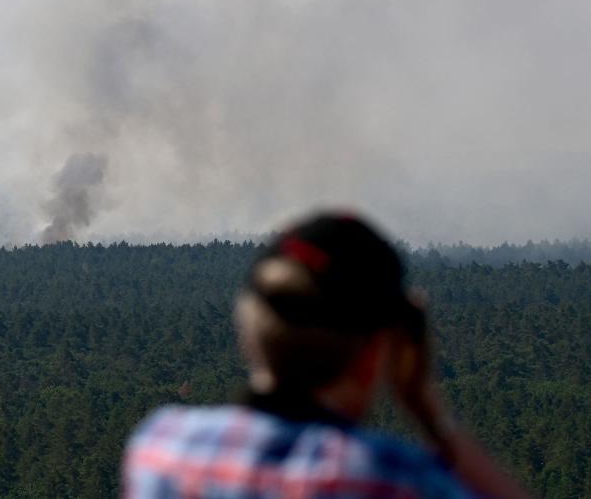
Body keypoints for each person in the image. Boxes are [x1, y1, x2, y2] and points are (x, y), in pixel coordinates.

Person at [123, 212, 529, 499]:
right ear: (379, 351)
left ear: (248, 333)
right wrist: (428, 410)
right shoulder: (392, 478)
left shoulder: (160, 447)